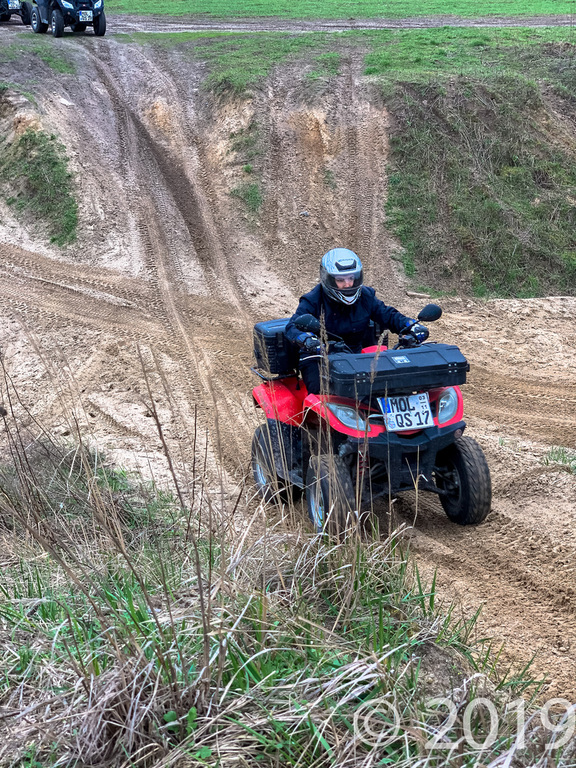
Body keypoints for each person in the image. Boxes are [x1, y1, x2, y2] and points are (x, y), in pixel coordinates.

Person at [285, 248, 429, 395]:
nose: (348, 284)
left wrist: (410, 325)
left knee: (387, 386)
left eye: (351, 278)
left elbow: (388, 315)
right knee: (323, 393)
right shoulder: (313, 300)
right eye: (340, 280)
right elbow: (292, 327)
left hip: (355, 355)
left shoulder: (366, 296)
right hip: (319, 357)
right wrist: (307, 340)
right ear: (328, 279)